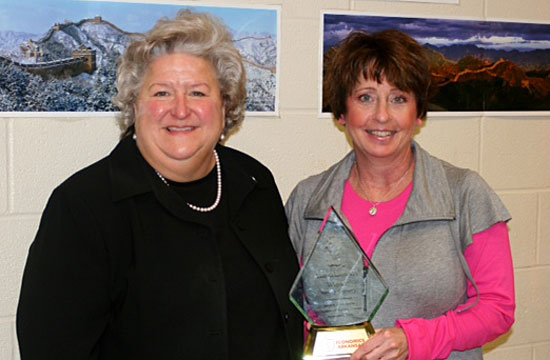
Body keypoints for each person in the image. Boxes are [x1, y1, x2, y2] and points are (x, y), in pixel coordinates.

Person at [17, 10, 302, 360]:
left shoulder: (254, 183)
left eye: (198, 93)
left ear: (225, 105)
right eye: (162, 93)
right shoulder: (84, 207)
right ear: (135, 106)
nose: (180, 110)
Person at [285, 30, 515, 360]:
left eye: (399, 98)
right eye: (365, 97)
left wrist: (415, 339)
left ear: (418, 114)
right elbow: (288, 309)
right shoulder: (307, 201)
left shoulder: (465, 193)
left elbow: (498, 309)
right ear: (341, 113)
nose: (382, 116)